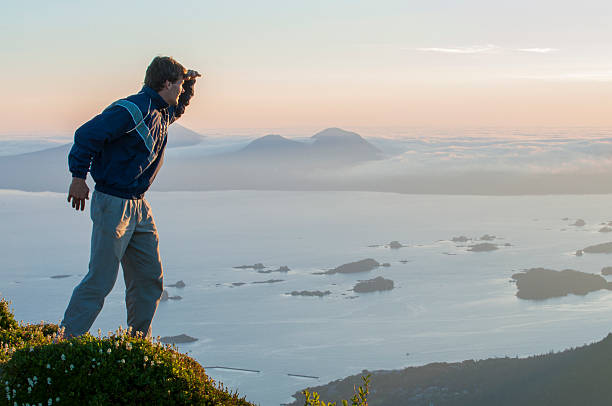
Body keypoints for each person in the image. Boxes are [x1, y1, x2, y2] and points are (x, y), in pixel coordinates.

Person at [61, 56, 200, 337]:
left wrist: (189, 87)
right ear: (166, 82)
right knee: (100, 280)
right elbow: (86, 135)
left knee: (149, 279)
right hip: (113, 203)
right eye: (178, 85)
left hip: (139, 205)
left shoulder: (160, 111)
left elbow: (177, 109)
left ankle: (137, 344)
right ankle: (65, 343)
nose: (179, 91)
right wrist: (78, 177)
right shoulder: (132, 109)